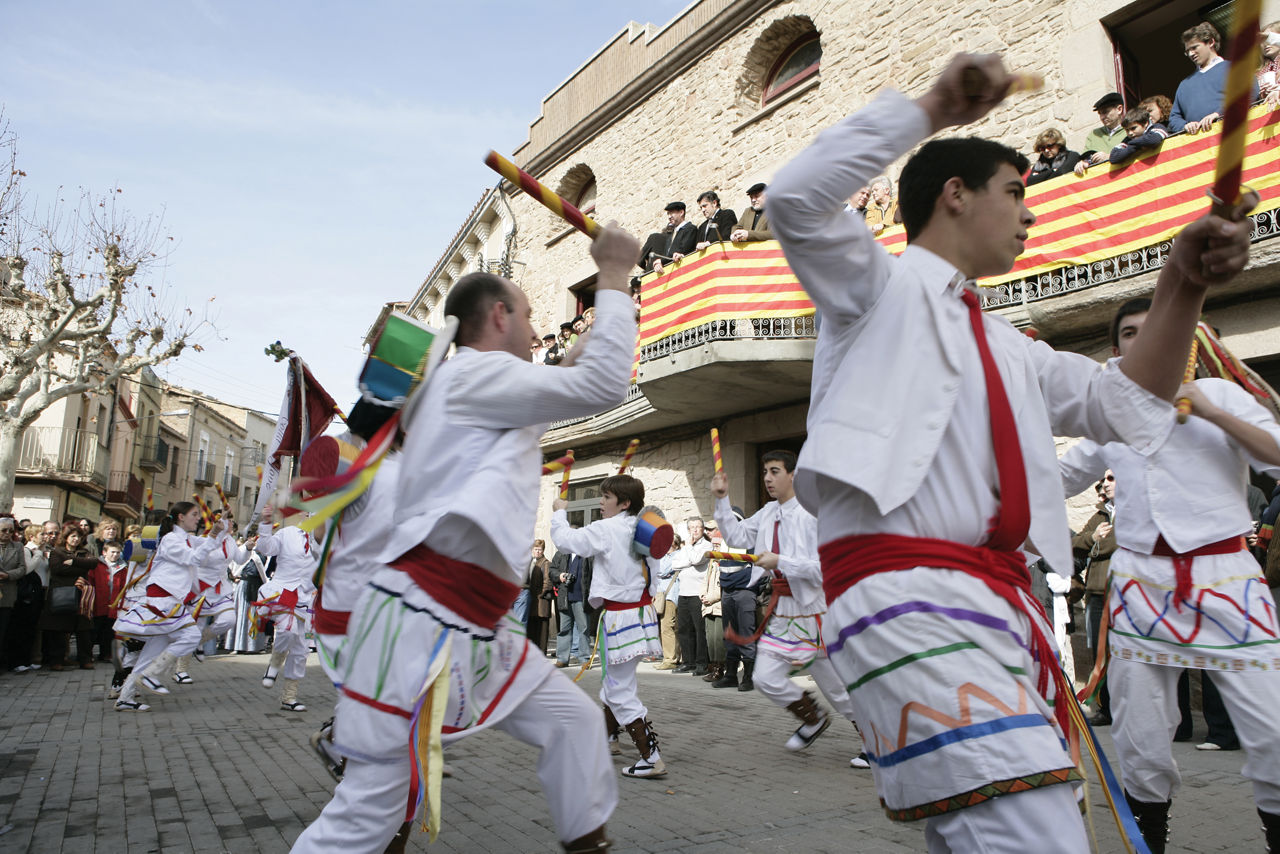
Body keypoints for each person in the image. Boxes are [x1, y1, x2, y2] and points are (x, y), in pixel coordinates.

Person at [766, 51, 1255, 849]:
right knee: (1031, 831)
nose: (1031, 215)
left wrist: (1182, 283)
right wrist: (929, 106)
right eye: (1016, 193)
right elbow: (795, 197)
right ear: (954, 195)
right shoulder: (873, 289)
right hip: (904, 591)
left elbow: (1126, 401)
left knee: (1011, 826)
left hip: (997, 601)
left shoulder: (1013, 348)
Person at [291, 223, 639, 854]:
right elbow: (606, 387)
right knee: (372, 805)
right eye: (531, 316)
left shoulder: (463, 384)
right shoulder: (476, 378)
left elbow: (531, 410)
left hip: (472, 623)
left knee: (577, 722)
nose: (538, 331)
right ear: (499, 315)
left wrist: (570, 357)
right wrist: (613, 275)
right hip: (424, 617)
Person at [1058, 298, 1280, 852]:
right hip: (1141, 582)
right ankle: (1148, 843)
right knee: (1141, 737)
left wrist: (1211, 410)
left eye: (1156, 330)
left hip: (1227, 576)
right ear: (1117, 352)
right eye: (1130, 333)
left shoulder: (1226, 394)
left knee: (1274, 730)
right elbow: (1057, 475)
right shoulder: (1109, 413)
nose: (1145, 341)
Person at [711, 452, 867, 763]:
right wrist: (722, 500)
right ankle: (813, 717)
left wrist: (782, 561)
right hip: (783, 612)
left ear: (793, 475)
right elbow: (738, 536)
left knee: (837, 691)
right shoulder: (768, 512)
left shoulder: (814, 515)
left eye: (774, 471)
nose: (767, 478)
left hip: (815, 612)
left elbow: (826, 569)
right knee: (765, 677)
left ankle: (876, 743)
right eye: (765, 472)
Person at [550, 474, 666, 779]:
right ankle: (608, 739)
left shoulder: (607, 529)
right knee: (615, 684)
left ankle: (651, 757)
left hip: (622, 618)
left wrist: (559, 511)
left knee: (618, 690)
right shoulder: (646, 530)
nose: (601, 503)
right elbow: (654, 575)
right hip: (640, 615)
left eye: (606, 498)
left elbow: (565, 541)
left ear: (624, 502)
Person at [113, 502, 226, 711]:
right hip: (162, 601)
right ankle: (149, 675)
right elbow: (194, 558)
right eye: (194, 514)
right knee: (191, 636)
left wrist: (221, 527)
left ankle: (125, 696)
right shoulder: (169, 539)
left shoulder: (183, 538)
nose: (198, 518)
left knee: (149, 653)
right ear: (180, 517)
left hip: (168, 601)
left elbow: (208, 544)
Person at [253, 509, 318, 712]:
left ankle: (289, 697)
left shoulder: (324, 541)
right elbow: (266, 548)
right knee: (287, 630)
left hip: (308, 600)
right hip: (283, 593)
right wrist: (265, 524)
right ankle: (273, 665)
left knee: (302, 648)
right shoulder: (287, 533)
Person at [1071, 473, 1116, 726]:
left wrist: (1098, 542)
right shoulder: (1100, 516)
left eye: (1110, 478)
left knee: (1122, 654)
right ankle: (1105, 709)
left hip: (1122, 594)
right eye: (1101, 481)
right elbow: (1074, 543)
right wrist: (1092, 539)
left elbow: (1117, 545)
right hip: (1096, 593)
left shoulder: (1131, 512)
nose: (1104, 484)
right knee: (1099, 654)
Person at [1170, 22, 1256, 134]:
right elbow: (1174, 118)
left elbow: (1250, 93)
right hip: (1201, 147)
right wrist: (1185, 126)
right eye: (1187, 51)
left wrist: (1219, 114)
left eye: (1194, 47)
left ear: (1210, 42)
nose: (1191, 54)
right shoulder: (1184, 85)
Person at [40, 524, 98, 670]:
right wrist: (80, 567)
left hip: (81, 594)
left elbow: (93, 563)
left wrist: (73, 561)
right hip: (62, 594)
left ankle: (85, 659)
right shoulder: (57, 552)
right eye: (73, 536)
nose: (76, 539)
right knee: (59, 628)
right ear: (66, 538)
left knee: (83, 628)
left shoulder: (84, 552)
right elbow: (57, 569)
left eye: (78, 536)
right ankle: (57, 660)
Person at [673, 519, 713, 676]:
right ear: (688, 530)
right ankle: (688, 662)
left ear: (703, 529)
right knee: (684, 629)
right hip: (683, 592)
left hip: (698, 592)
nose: (695, 530)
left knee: (699, 630)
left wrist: (689, 550)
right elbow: (675, 564)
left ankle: (702, 663)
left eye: (698, 527)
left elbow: (697, 560)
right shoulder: (686, 547)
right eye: (692, 527)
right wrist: (689, 557)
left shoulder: (706, 546)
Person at [551, 544, 591, 667]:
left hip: (582, 598)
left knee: (583, 629)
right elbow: (552, 570)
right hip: (565, 597)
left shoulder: (588, 554)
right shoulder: (561, 553)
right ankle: (562, 659)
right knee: (564, 629)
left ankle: (584, 659)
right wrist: (560, 576)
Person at [1076, 92, 1127, 175]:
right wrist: (1082, 163)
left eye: (1105, 112)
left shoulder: (1131, 130)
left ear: (1119, 109)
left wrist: (1109, 157)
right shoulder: (1094, 134)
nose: (1102, 117)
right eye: (1100, 114)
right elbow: (1086, 157)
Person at [0, 517, 27, 671]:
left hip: (7, 595)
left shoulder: (17, 546)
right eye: (4, 530)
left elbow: (22, 568)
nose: (7, 533)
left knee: (3, 631)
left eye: (11, 531)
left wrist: (7, 575)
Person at [652, 533, 682, 670]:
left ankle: (670, 659)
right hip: (662, 595)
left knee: (667, 627)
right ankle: (673, 657)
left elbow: (662, 571)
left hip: (670, 595)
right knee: (668, 627)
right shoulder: (664, 556)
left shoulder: (676, 556)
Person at [651, 202, 697, 273]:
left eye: (672, 213)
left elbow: (683, 250)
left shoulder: (690, 229)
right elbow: (667, 254)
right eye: (668, 214)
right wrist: (658, 264)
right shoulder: (671, 235)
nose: (669, 217)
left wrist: (661, 261)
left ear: (681, 212)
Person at [526, 539, 554, 655]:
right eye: (536, 549)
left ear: (543, 551)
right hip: (532, 602)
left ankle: (541, 653)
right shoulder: (532, 562)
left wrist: (540, 594)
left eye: (540, 550)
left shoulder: (545, 563)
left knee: (542, 629)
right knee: (532, 628)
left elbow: (547, 582)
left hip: (541, 602)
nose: (537, 552)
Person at [1260, 23, 1280, 106]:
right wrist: (1262, 93)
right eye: (1263, 40)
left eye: (1268, 39)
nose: (1266, 44)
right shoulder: (1259, 72)